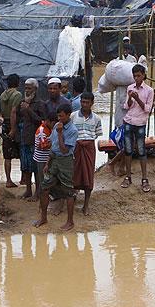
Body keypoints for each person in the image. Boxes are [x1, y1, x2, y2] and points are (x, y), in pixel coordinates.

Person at [34, 104, 78, 232]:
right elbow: (53, 147)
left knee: (69, 191)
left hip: (65, 161)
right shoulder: (56, 126)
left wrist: (59, 133)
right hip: (54, 160)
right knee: (44, 187)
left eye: (61, 116)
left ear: (68, 115)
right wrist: (48, 162)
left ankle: (70, 222)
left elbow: (64, 150)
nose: (59, 118)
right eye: (58, 116)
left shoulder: (72, 130)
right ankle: (43, 218)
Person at [121, 65, 155, 192]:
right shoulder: (130, 88)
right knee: (128, 150)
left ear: (143, 75)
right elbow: (127, 106)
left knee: (141, 151)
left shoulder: (149, 90)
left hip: (140, 123)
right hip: (129, 121)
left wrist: (137, 98)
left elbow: (147, 109)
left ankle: (144, 179)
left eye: (139, 75)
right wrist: (130, 97)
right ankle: (128, 177)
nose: (136, 78)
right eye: (135, 76)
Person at [72, 92, 103, 213]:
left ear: (92, 103)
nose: (84, 104)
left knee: (88, 175)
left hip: (89, 147)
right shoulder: (73, 116)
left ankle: (86, 204)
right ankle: (72, 201)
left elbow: (97, 134)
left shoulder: (97, 118)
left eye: (86, 102)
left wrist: (87, 141)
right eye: (82, 102)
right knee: (74, 174)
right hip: (76, 146)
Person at [18, 78, 44, 199]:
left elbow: (41, 121)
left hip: (36, 140)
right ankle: (28, 190)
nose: (27, 90)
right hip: (25, 138)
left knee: (36, 168)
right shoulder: (23, 102)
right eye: (26, 88)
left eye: (29, 88)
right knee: (26, 166)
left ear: (36, 89)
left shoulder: (40, 103)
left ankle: (38, 192)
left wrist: (28, 109)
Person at [0, 74, 23, 188]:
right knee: (21, 151)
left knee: (7, 154)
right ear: (17, 83)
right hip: (14, 124)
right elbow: (14, 112)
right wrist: (14, 129)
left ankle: (8, 179)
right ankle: (23, 178)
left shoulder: (3, 95)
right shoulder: (17, 95)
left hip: (5, 123)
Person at [33, 112, 54, 199]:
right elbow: (43, 145)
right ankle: (43, 197)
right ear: (48, 121)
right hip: (41, 158)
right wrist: (54, 143)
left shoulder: (48, 129)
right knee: (43, 179)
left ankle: (45, 196)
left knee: (47, 178)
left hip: (46, 157)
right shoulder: (42, 130)